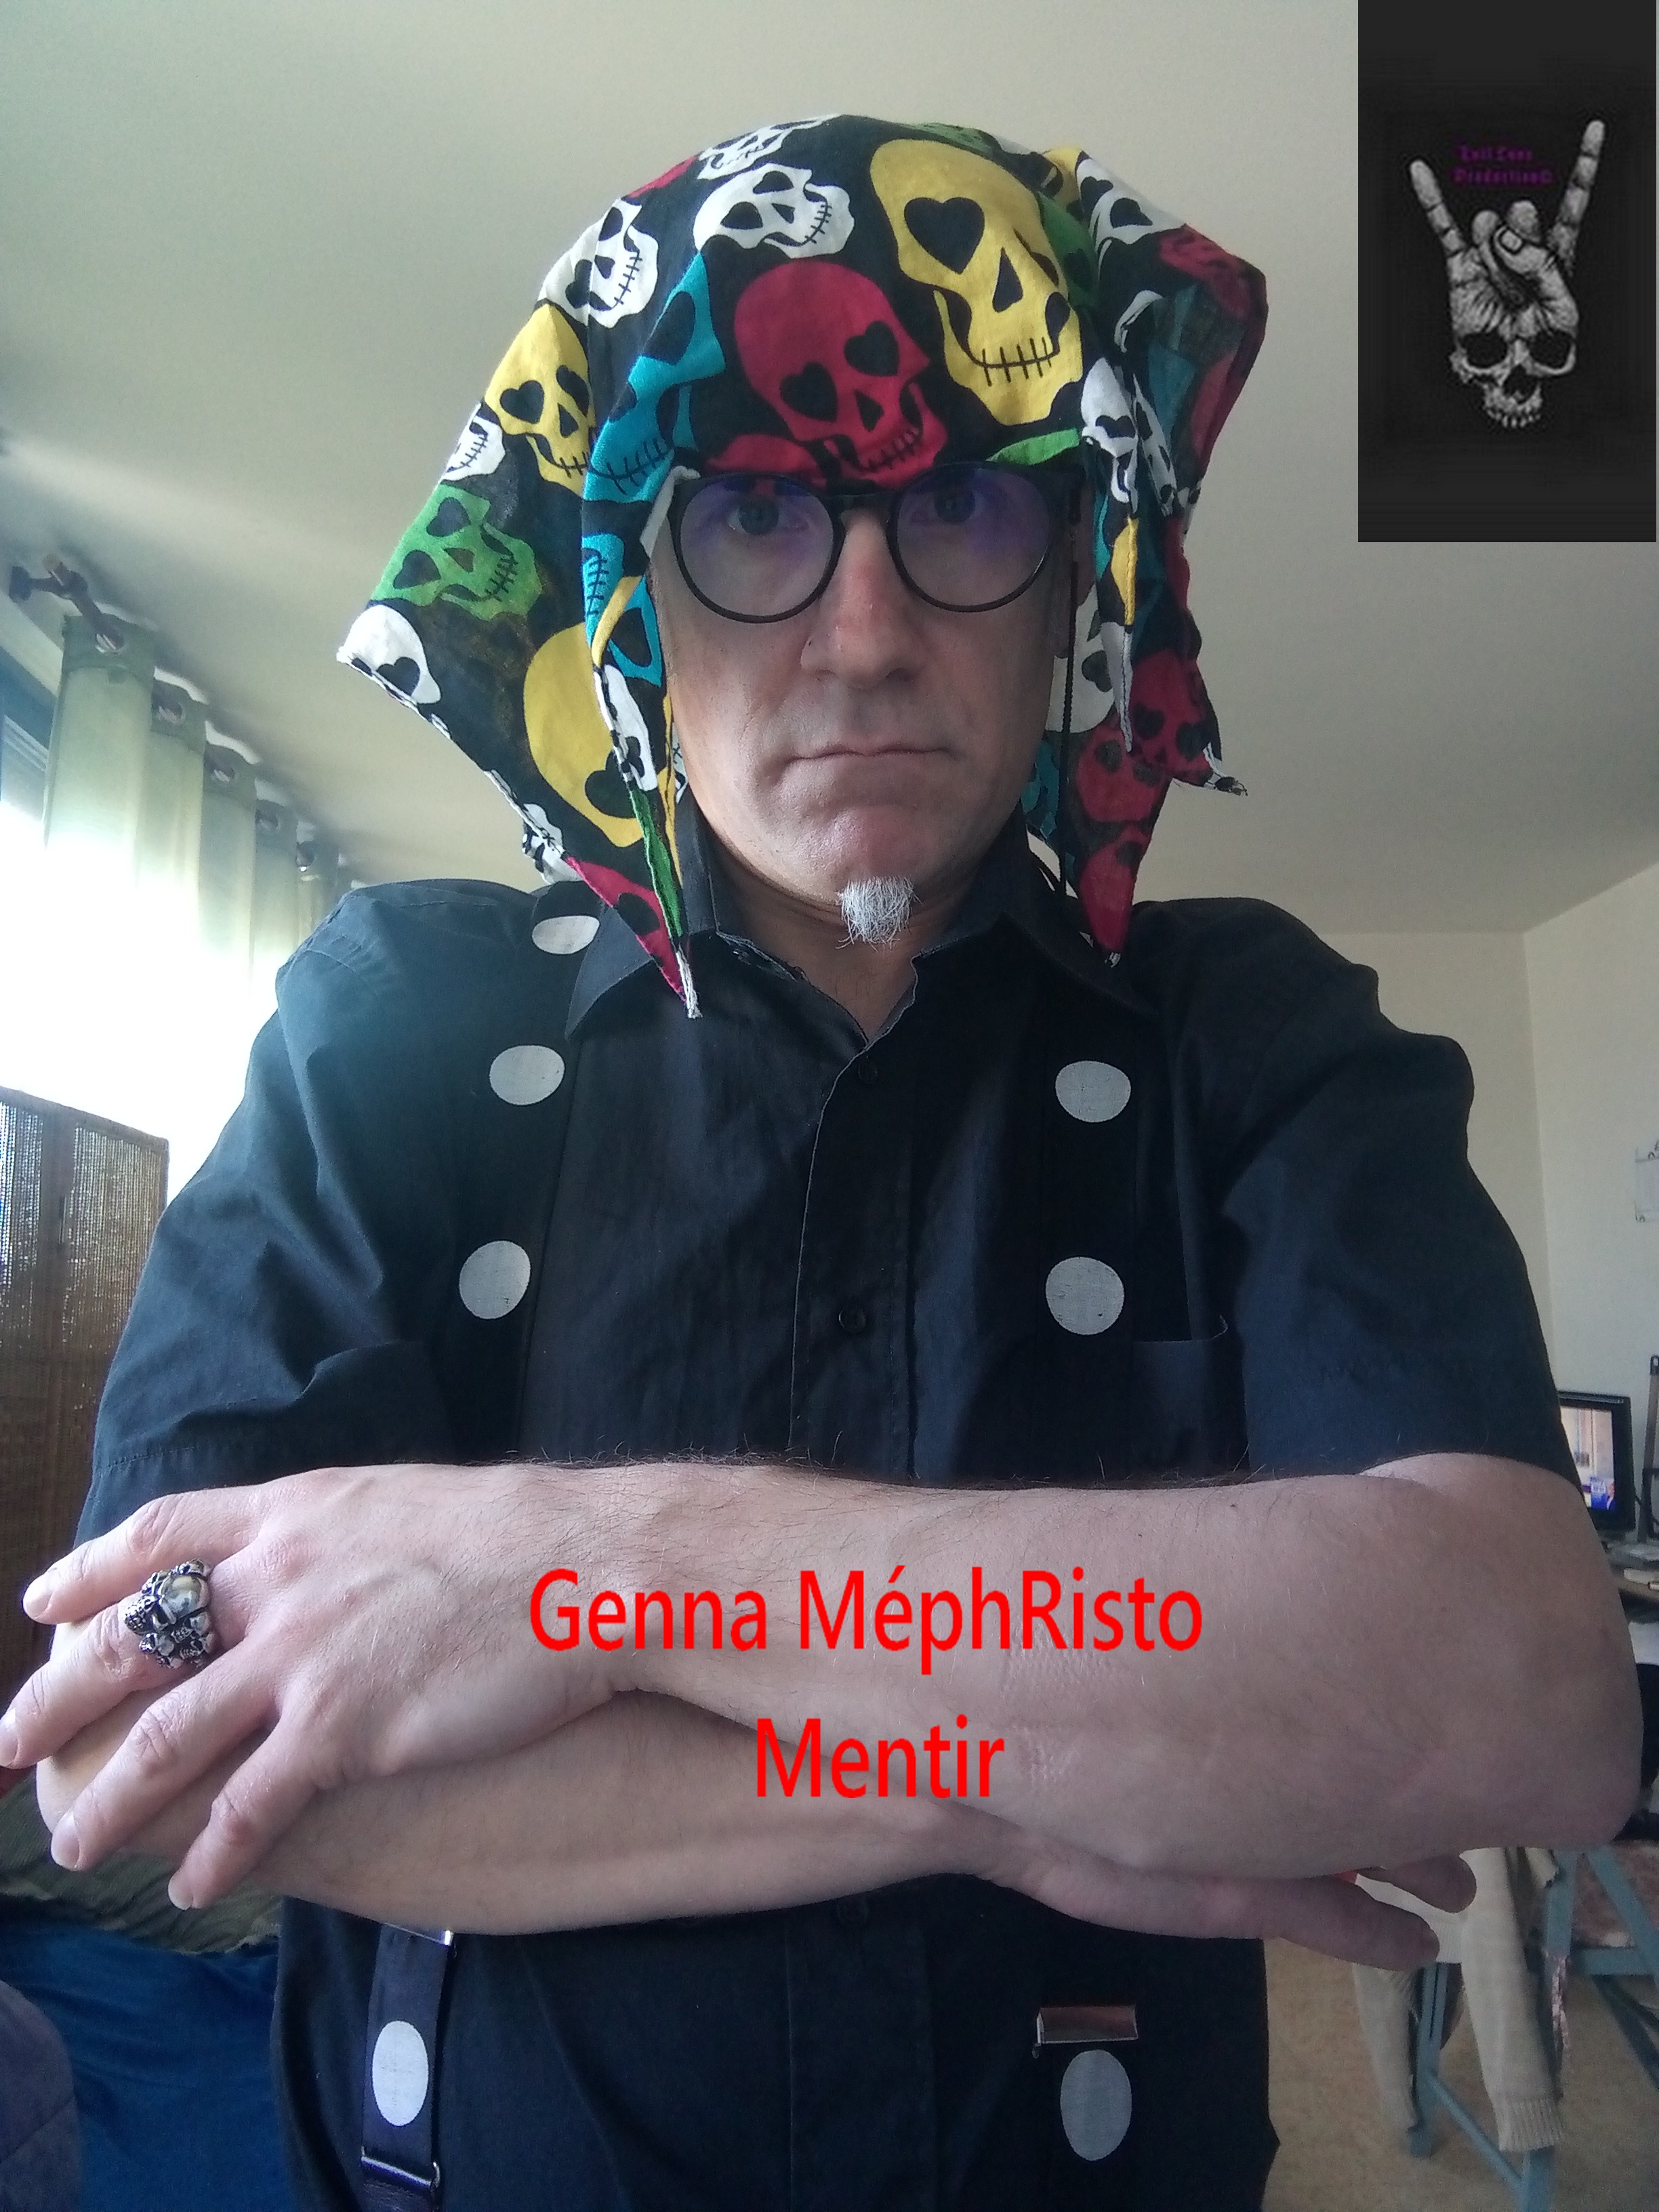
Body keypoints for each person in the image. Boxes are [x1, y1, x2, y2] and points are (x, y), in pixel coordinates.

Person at [0, 115, 1639, 2211]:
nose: (863, 632)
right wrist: (1007, 1787)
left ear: (1075, 580)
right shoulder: (393, 1021)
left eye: (962, 503)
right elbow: (131, 1750)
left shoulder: (1254, 1037)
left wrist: (564, 1579)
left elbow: (1513, 1689)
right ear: (631, 593)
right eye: (757, 515)